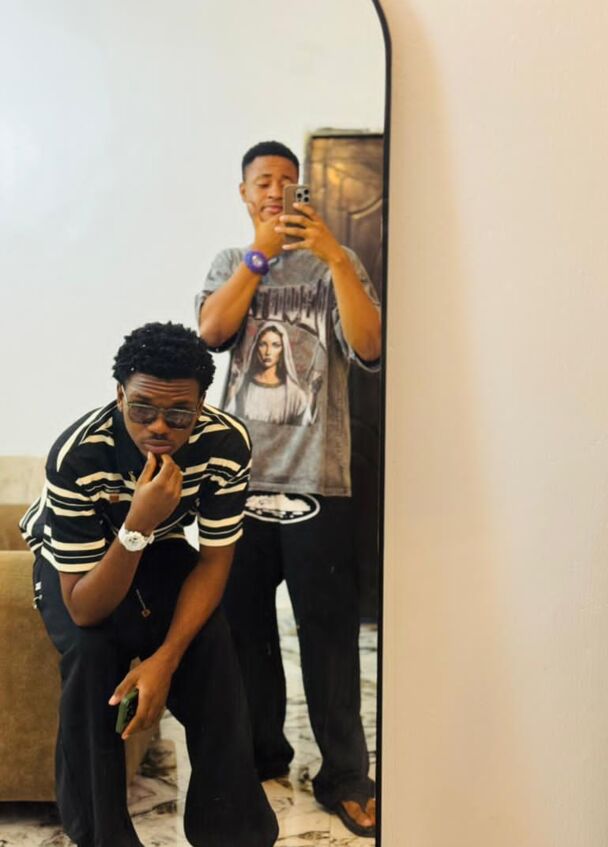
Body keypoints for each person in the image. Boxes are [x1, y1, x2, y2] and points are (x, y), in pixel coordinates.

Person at [20, 322, 278, 847]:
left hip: (158, 541)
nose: (159, 426)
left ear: (201, 406)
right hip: (79, 564)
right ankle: (104, 838)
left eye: (179, 413)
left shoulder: (226, 443)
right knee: (92, 652)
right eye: (142, 409)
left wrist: (166, 658)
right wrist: (138, 521)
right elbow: (84, 607)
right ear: (120, 396)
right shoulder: (79, 455)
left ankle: (234, 834)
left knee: (212, 642)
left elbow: (215, 561)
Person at [196, 140, 382, 838]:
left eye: (288, 181)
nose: (277, 191)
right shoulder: (229, 263)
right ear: (244, 193)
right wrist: (259, 257)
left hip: (318, 482)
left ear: (304, 192)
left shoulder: (338, 263)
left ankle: (346, 776)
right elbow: (212, 330)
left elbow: (370, 346)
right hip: (239, 482)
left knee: (329, 636)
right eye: (264, 181)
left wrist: (335, 257)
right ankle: (260, 755)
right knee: (244, 631)